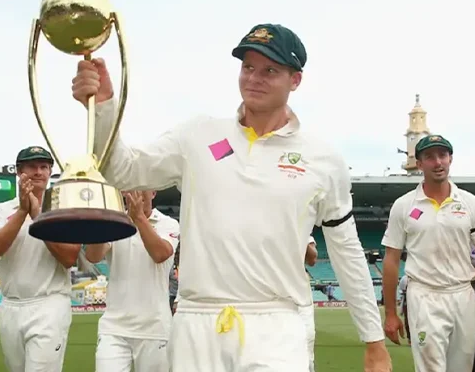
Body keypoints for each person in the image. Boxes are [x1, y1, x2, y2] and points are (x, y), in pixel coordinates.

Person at [71, 23, 391, 371]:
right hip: (197, 321)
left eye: (270, 70)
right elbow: (123, 170)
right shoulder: (197, 134)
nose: (255, 78)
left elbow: (345, 250)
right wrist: (102, 107)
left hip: (276, 324)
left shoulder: (322, 158)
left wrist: (373, 341)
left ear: (295, 80)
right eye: (248, 67)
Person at [382, 134, 475, 372]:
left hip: (463, 295)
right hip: (424, 295)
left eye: (442, 155)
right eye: (430, 157)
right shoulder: (404, 205)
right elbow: (391, 261)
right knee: (431, 368)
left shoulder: (470, 203)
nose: (438, 162)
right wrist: (391, 313)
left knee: (462, 367)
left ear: (450, 158)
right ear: (419, 163)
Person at [0, 146, 82, 372]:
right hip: (11, 304)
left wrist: (37, 215)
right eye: (31, 167)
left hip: (50, 303)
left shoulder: (63, 209)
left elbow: (69, 257)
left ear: (50, 172)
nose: (38, 172)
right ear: (19, 172)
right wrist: (22, 212)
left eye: (44, 167)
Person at [85, 190, 180, 372]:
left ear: (153, 192)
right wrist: (99, 226)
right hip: (114, 327)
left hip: (154, 328)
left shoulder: (168, 224)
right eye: (131, 186)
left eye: (142, 186)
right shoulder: (115, 223)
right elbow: (93, 256)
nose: (136, 192)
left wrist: (138, 219)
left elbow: (160, 254)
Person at [300, 236, 318, 372]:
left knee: (306, 344)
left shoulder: (299, 223)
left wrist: (299, 236)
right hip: (269, 297)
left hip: (300, 298)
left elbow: (312, 259)